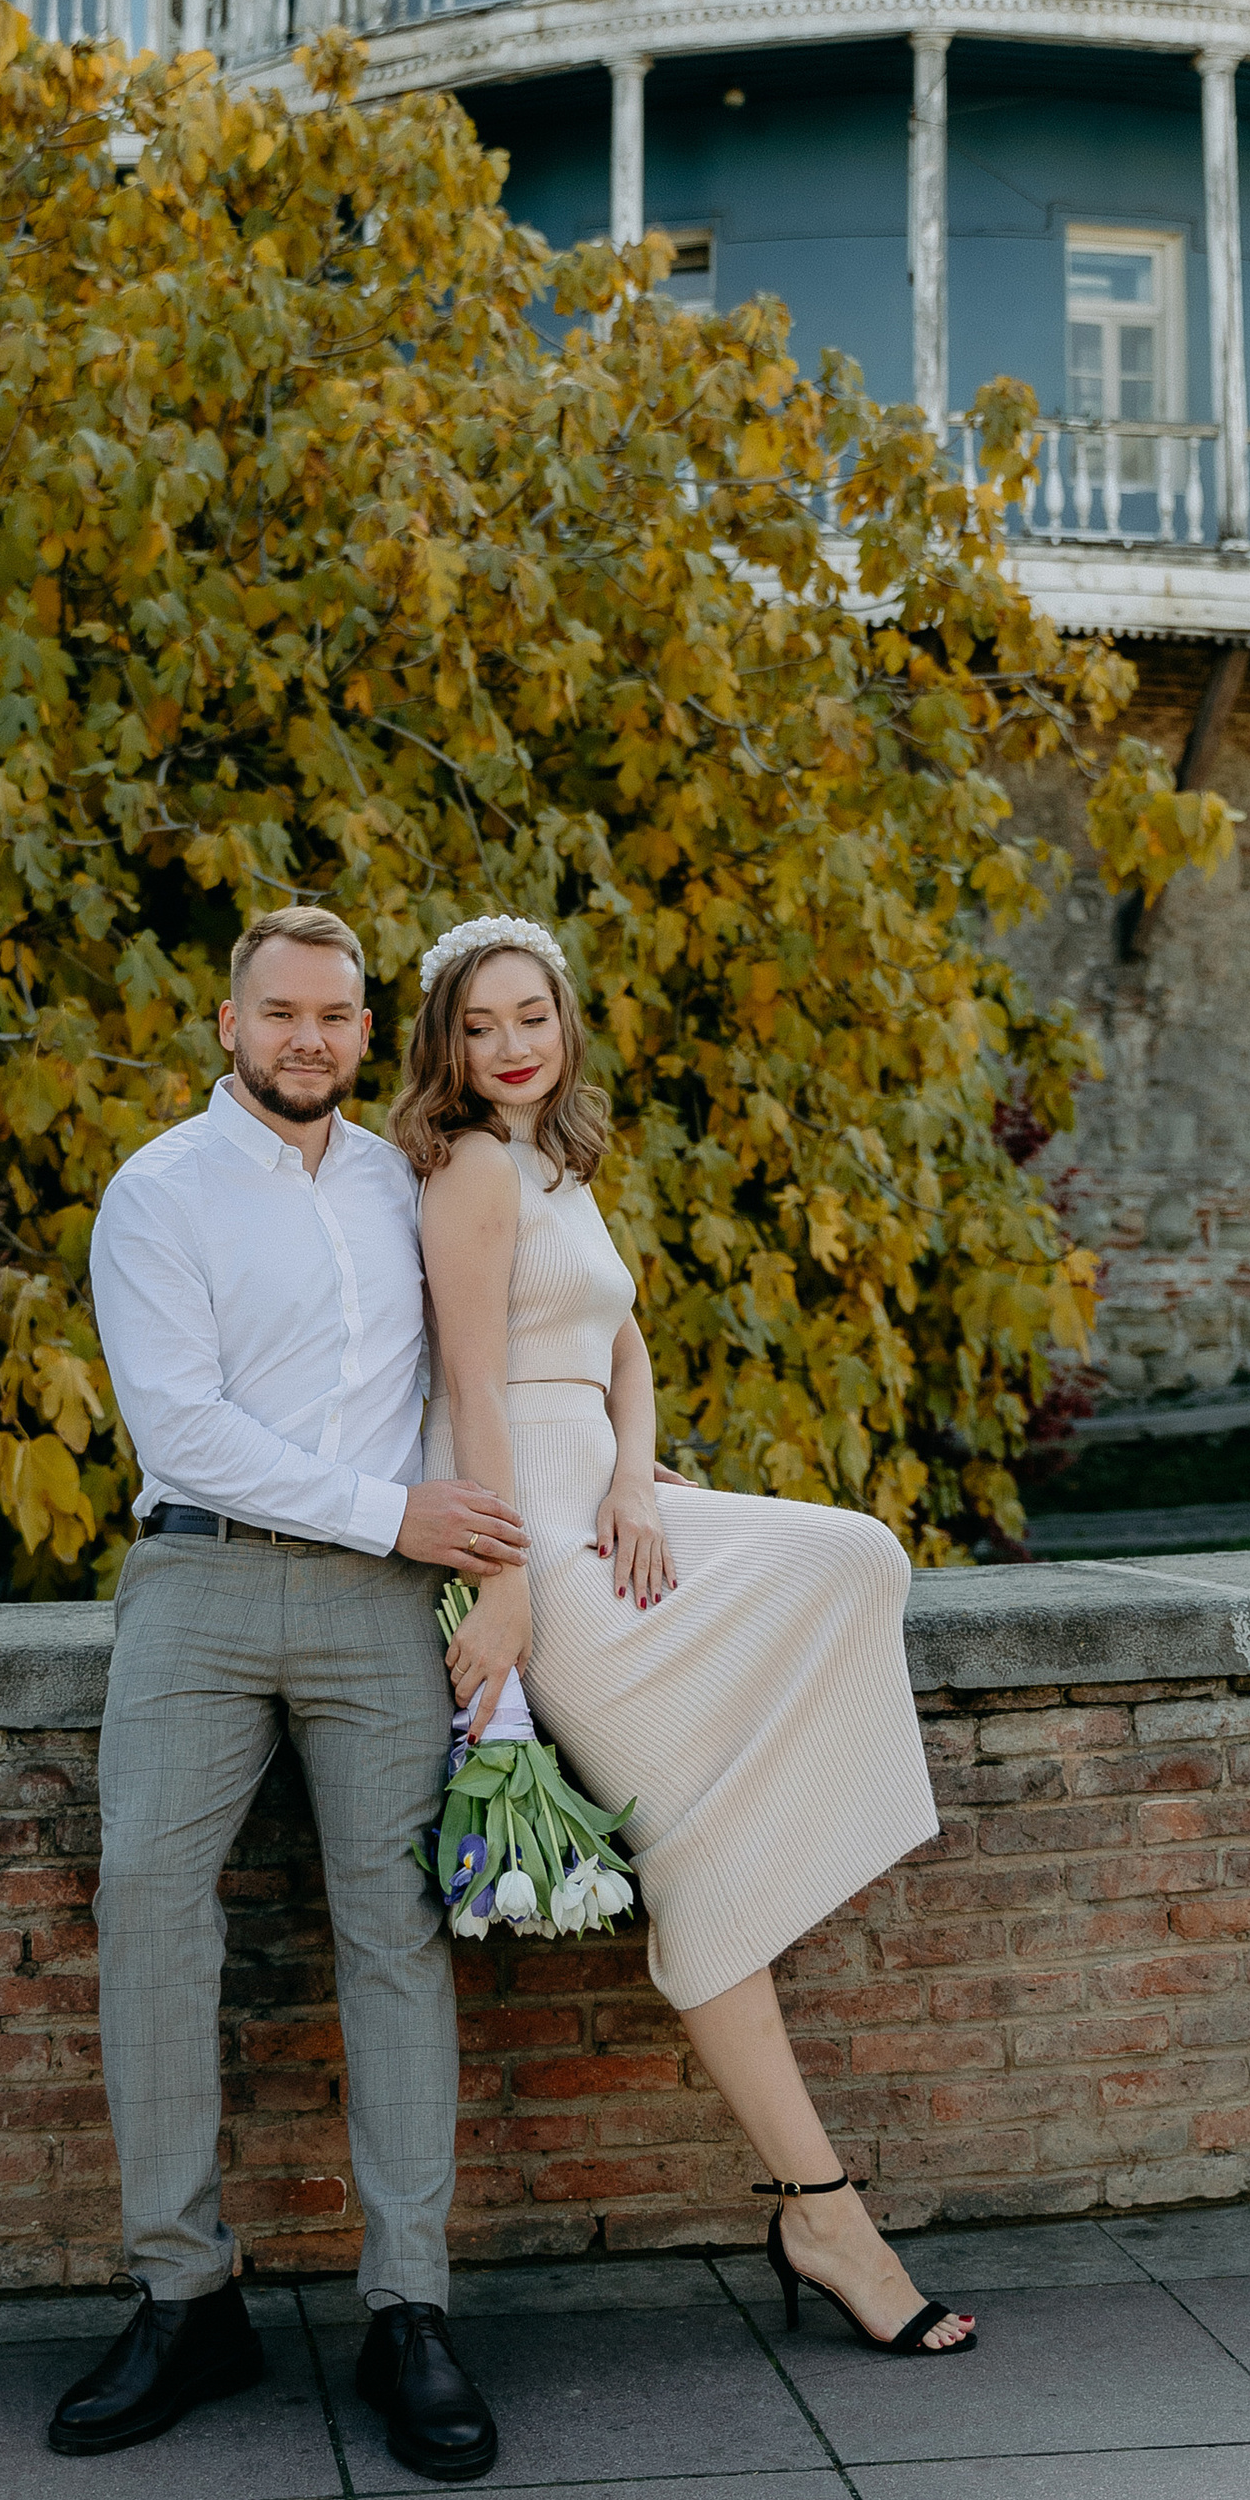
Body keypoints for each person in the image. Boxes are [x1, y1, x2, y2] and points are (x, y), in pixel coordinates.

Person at [392, 911, 978, 2359]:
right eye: (481, 1027)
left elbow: (625, 1340)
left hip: (609, 1491)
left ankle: (816, 2210)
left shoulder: (559, 1160)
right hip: (531, 1520)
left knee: (853, 1555)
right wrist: (511, 1582)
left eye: (531, 1017)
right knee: (697, 1852)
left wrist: (640, 1476)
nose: (511, 1046)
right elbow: (470, 1381)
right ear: (446, 1047)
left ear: (565, 1023)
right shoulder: (465, 1166)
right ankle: (825, 2215)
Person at [51, 904, 515, 2477]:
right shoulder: (157, 1193)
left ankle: (411, 2309)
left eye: (335, 1015)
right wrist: (398, 1514)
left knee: (398, 1927)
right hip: (199, 1579)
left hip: (380, 1611)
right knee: (150, 1899)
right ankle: (188, 2299)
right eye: (280, 1014)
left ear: (366, 1032)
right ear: (229, 1024)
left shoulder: (410, 1185)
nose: (306, 1039)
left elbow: (485, 1369)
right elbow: (182, 1430)